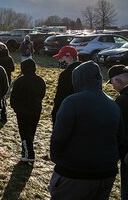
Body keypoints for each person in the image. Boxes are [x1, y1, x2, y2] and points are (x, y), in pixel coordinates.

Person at [50, 61, 125, 200]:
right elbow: (120, 140)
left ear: (77, 79)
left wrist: (58, 160)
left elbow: (59, 138)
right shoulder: (113, 104)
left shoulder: (71, 102)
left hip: (74, 174)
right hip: (105, 175)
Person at [10, 58, 46, 162]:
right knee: (31, 131)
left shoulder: (20, 81)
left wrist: (15, 107)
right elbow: (42, 94)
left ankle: (29, 154)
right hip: (36, 109)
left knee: (24, 132)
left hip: (23, 111)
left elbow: (14, 97)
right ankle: (26, 150)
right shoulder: (40, 80)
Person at [107, 65, 128, 200]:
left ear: (119, 81)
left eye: (113, 83)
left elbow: (118, 129)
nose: (113, 87)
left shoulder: (122, 100)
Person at [51, 46, 82, 126]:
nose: (59, 61)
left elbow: (60, 97)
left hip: (67, 113)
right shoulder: (85, 71)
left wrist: (55, 115)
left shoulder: (66, 75)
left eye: (61, 58)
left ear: (69, 57)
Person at [0, 42, 15, 123]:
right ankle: (3, 115)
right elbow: (13, 69)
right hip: (8, 79)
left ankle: (3, 116)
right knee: (3, 96)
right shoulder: (9, 58)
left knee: (0, 98)